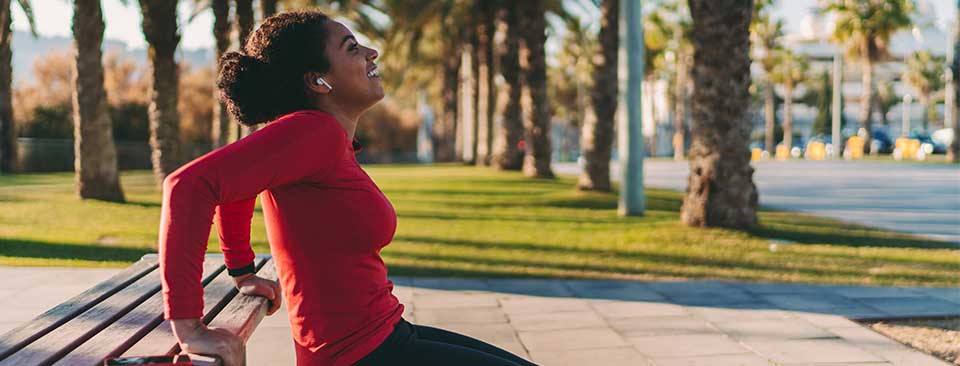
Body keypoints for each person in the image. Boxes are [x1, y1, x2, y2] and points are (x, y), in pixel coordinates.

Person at [157, 10, 538, 366]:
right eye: (352, 48)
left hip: (387, 335)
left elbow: (238, 186)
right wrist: (189, 328)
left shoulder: (319, 137)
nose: (372, 53)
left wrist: (241, 267)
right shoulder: (314, 132)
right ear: (317, 81)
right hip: (359, 354)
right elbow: (187, 184)